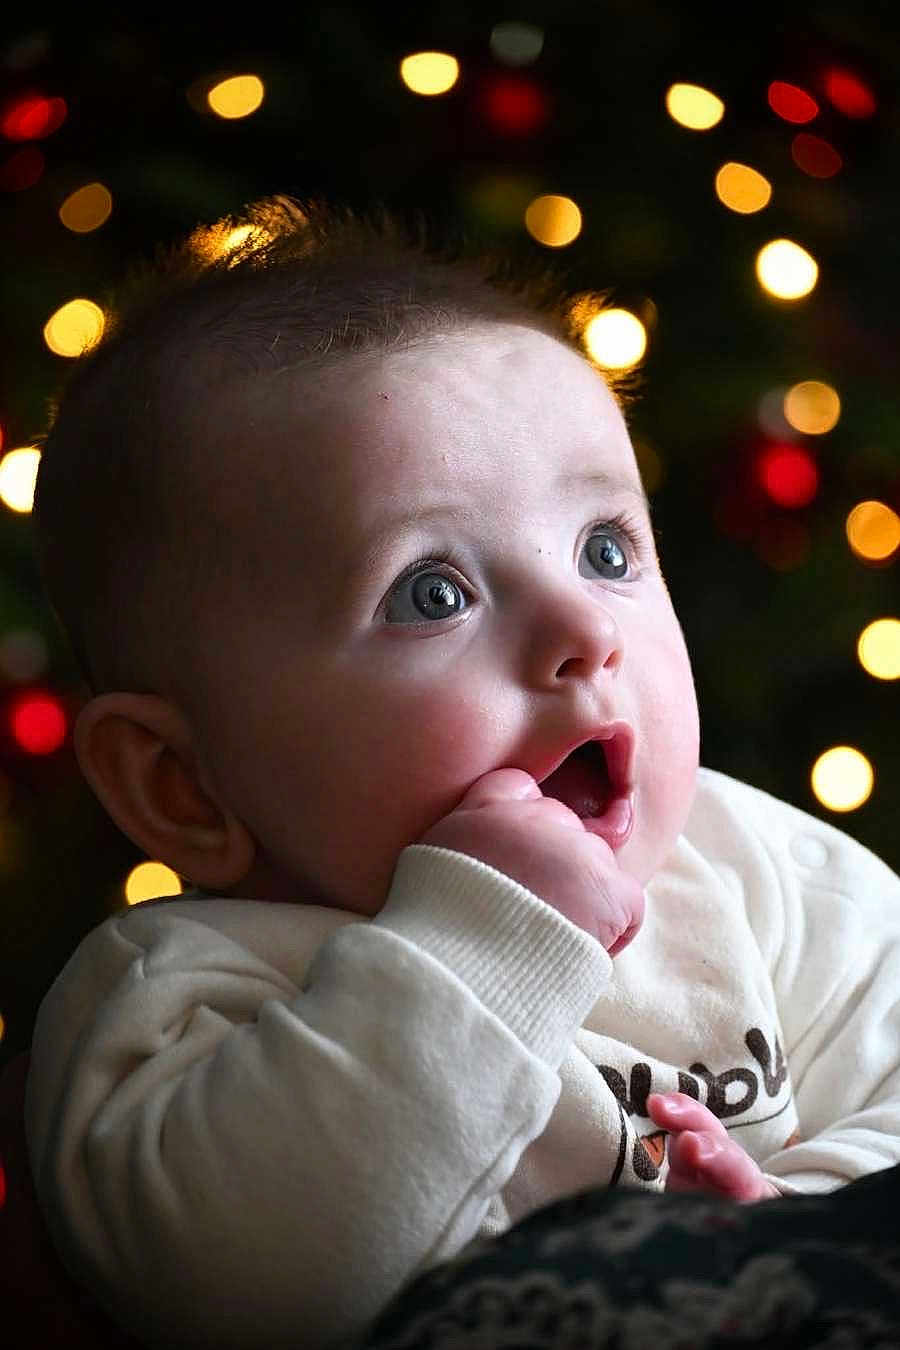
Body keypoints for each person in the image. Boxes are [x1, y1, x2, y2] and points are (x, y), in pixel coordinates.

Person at [24, 197, 900, 1350]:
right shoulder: (178, 996)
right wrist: (485, 945)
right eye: (433, 592)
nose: (584, 629)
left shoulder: (753, 866)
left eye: (605, 549)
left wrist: (794, 1220)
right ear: (182, 784)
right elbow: (262, 1282)